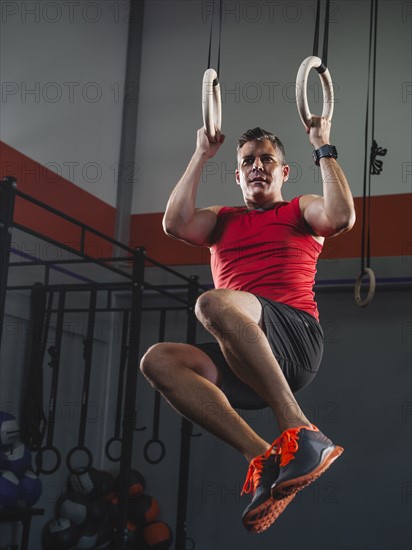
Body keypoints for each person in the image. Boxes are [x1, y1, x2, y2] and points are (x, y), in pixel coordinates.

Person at [140, 117, 356, 534]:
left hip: (294, 339)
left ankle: (299, 428)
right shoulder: (222, 219)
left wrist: (322, 144)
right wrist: (202, 153)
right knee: (159, 361)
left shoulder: (300, 208)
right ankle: (264, 457)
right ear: (238, 174)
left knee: (211, 303)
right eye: (249, 162)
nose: (258, 166)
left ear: (283, 172)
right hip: (246, 356)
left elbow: (342, 216)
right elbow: (174, 224)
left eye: (267, 160)